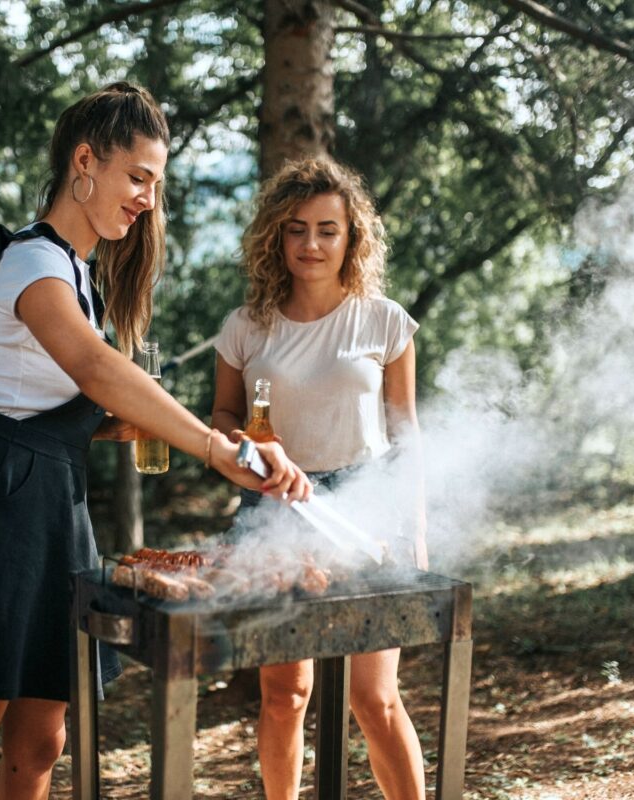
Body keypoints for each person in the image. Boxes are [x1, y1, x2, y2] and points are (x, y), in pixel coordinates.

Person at [0, 82, 312, 800]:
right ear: (86, 160)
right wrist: (211, 447)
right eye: (138, 177)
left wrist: (175, 430)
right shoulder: (31, 264)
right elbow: (93, 367)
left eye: (155, 184)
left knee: (43, 743)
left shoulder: (78, 273)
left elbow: (66, 403)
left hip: (51, 506)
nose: (147, 198)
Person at [211, 156, 428, 800]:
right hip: (279, 511)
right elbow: (222, 415)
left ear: (351, 237)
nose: (311, 244)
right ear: (276, 236)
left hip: (368, 506)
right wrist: (241, 445)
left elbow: (406, 433)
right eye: (297, 228)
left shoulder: (385, 321)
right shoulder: (246, 326)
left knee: (375, 698)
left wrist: (415, 527)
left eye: (327, 229)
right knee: (285, 694)